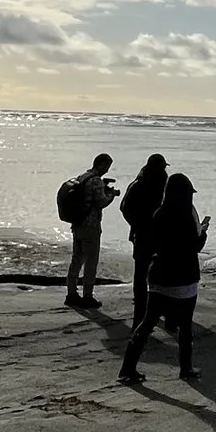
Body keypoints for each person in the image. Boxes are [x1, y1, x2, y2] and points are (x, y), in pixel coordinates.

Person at [120, 173, 206, 384]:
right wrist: (202, 233)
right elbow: (194, 247)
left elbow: (153, 244)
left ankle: (127, 368)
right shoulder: (187, 216)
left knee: (147, 323)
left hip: (159, 276)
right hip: (185, 279)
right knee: (185, 328)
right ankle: (185, 368)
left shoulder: (159, 214)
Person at [59, 152, 117, 307]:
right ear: (102, 164)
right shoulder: (96, 181)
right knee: (91, 262)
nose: (107, 170)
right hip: (90, 226)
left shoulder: (83, 176)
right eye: (107, 167)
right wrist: (110, 194)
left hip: (78, 224)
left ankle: (71, 293)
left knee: (76, 259)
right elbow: (101, 202)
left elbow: (87, 197)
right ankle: (87, 296)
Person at [117, 153, 168, 324]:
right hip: (156, 236)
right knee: (156, 274)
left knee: (141, 276)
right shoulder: (162, 185)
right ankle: (152, 309)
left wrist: (137, 225)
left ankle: (141, 311)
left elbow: (124, 208)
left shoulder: (138, 184)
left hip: (142, 235)